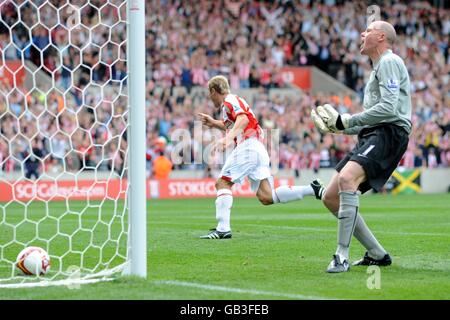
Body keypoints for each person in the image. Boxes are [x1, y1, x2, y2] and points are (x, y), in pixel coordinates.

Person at [311, 21, 412, 273]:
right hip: (375, 133)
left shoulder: (389, 62)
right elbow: (371, 118)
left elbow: (388, 110)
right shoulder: (377, 69)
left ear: (380, 37)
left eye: (367, 31)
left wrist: (346, 120)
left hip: (389, 133)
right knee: (330, 197)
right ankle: (377, 254)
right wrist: (339, 127)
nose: (361, 34)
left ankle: (341, 255)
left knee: (346, 179)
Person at [197, 75, 324, 239]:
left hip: (248, 147)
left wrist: (228, 139)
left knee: (222, 182)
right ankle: (311, 189)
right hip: (256, 148)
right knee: (266, 196)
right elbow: (232, 124)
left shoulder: (230, 101)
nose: (210, 97)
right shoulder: (230, 105)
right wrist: (214, 123)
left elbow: (242, 120)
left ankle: (222, 229)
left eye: (210, 93)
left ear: (214, 91)